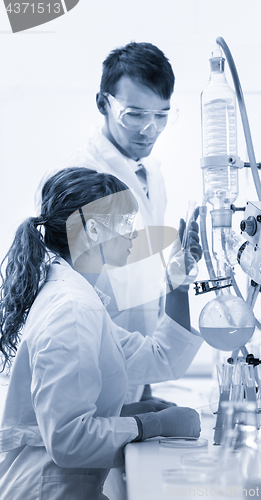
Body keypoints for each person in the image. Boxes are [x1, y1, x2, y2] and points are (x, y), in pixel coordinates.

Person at [0, 167, 203, 500]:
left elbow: (162, 358)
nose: (133, 235)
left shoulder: (80, 300)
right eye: (125, 224)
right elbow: (70, 441)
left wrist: (177, 284)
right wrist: (153, 425)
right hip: (43, 491)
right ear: (93, 230)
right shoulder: (72, 310)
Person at [36, 41, 183, 408]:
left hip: (136, 361)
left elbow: (144, 271)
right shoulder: (77, 176)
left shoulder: (153, 176)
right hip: (88, 362)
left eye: (161, 115)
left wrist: (143, 379)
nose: (150, 129)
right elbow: (67, 283)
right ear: (104, 103)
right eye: (134, 114)